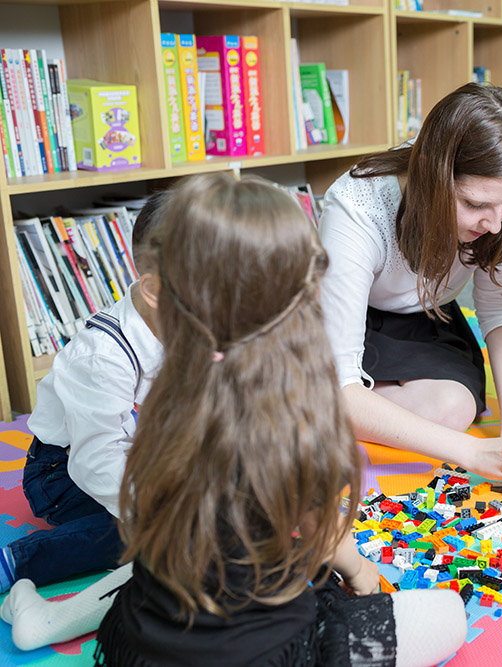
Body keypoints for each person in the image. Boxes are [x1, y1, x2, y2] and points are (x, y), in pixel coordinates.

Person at [91, 173, 466, 666]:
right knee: (449, 616)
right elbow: (327, 539)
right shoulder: (294, 407)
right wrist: (363, 577)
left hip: (148, 642)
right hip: (265, 652)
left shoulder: (164, 394)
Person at [319, 82, 502, 486]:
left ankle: (346, 403)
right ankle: (315, 401)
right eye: (475, 205)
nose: (495, 223)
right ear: (432, 179)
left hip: (428, 316)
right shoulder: (356, 208)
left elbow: (501, 311)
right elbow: (339, 380)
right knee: (341, 396)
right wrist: (475, 453)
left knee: (452, 410)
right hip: (350, 315)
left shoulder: (499, 200)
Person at [0, 191, 170, 594]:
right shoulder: (103, 356)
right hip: (65, 472)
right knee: (161, 530)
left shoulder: (184, 322)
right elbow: (95, 462)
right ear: (154, 290)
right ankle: (19, 560)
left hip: (145, 452)